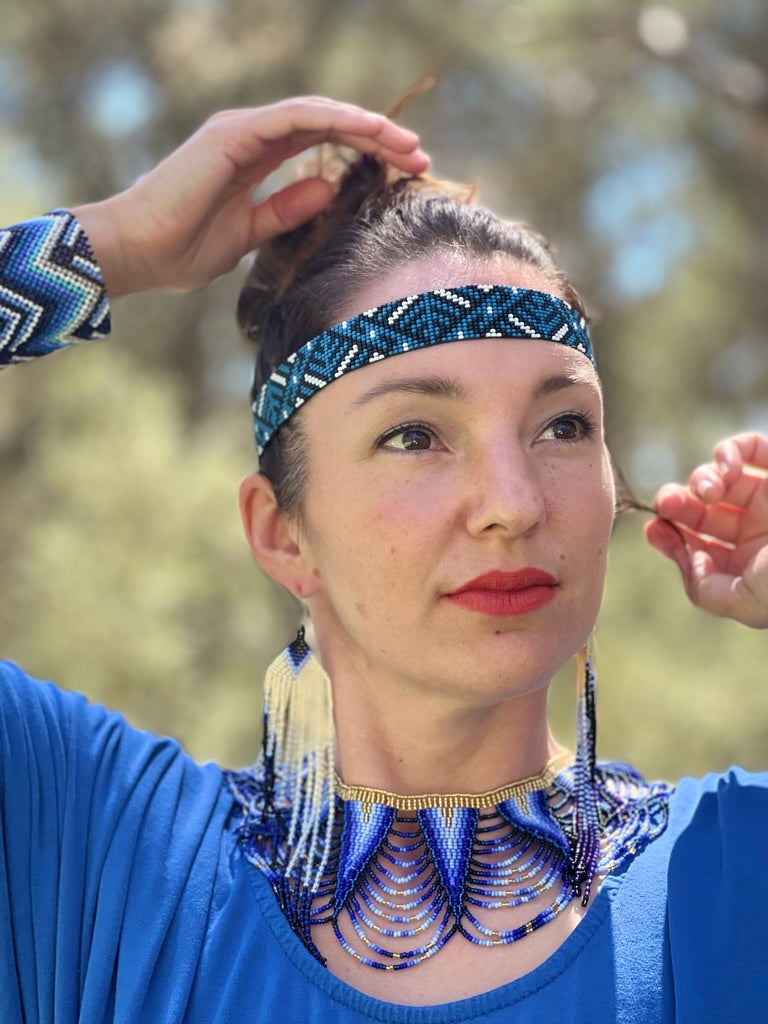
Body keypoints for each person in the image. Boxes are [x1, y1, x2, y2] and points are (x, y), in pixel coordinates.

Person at [0, 95, 766, 1023]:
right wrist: (104, 249)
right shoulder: (93, 858)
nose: (514, 505)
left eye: (563, 425)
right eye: (415, 435)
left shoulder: (734, 880)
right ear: (283, 532)